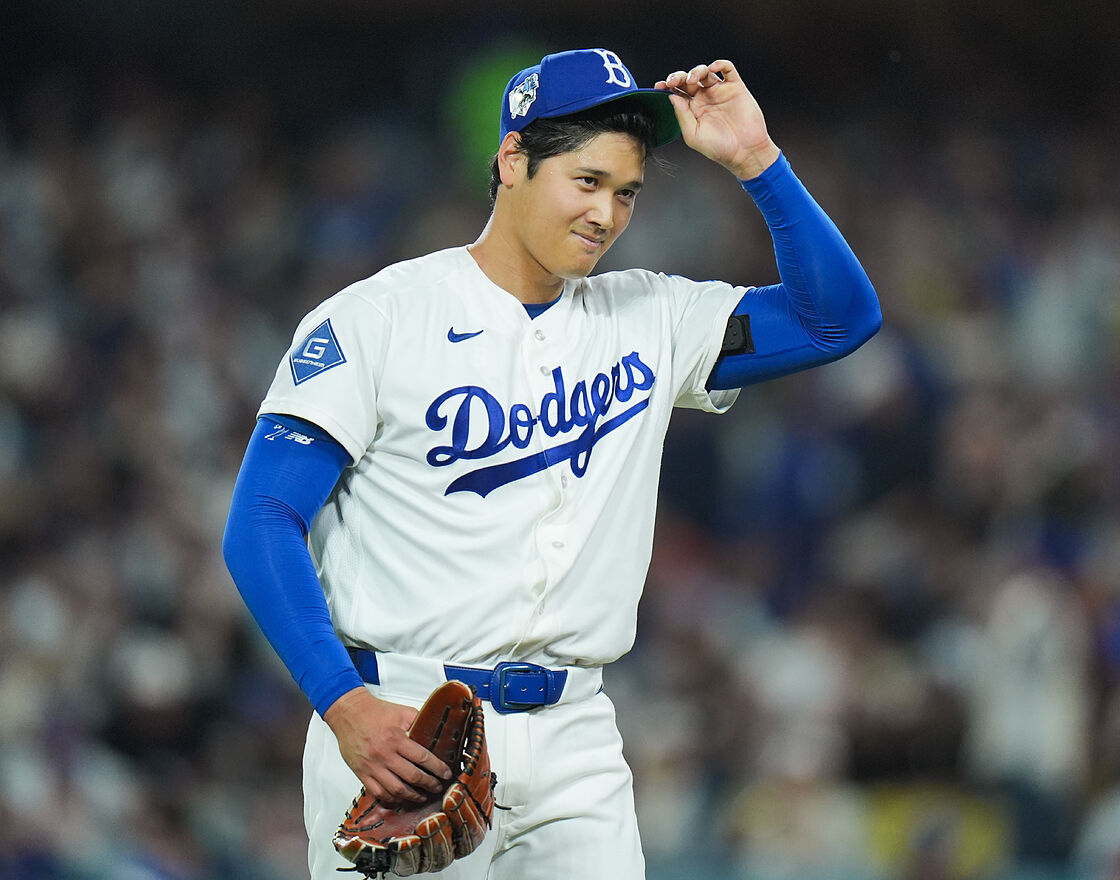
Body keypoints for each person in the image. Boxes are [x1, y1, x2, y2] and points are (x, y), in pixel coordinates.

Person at [223, 47, 882, 879]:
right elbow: (262, 521)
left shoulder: (652, 314)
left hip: (578, 733)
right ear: (511, 161)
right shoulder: (377, 320)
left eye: (627, 192)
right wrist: (342, 704)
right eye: (586, 180)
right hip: (408, 722)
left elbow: (838, 320)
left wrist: (758, 163)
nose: (607, 213)